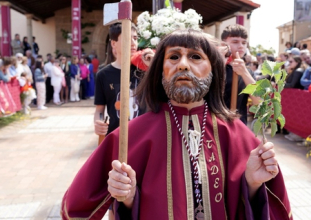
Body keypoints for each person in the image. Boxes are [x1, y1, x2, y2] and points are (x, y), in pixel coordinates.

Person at [61, 29, 291, 219]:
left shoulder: (238, 134)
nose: (182, 65)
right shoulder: (130, 136)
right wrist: (128, 197)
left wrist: (252, 183)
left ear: (213, 70)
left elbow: (267, 205)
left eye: (195, 57)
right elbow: (77, 205)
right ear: (161, 70)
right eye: (173, 56)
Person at [94, 22, 144, 137]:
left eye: (135, 38)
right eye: (127, 38)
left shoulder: (145, 71)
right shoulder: (103, 75)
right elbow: (99, 110)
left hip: (143, 137)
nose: (133, 43)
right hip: (116, 136)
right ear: (113, 43)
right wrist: (99, 122)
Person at [221, 24, 260, 125]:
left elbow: (259, 102)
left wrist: (244, 72)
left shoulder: (248, 72)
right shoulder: (215, 68)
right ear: (223, 44)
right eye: (235, 42)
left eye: (244, 42)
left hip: (238, 125)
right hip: (215, 124)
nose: (241, 46)